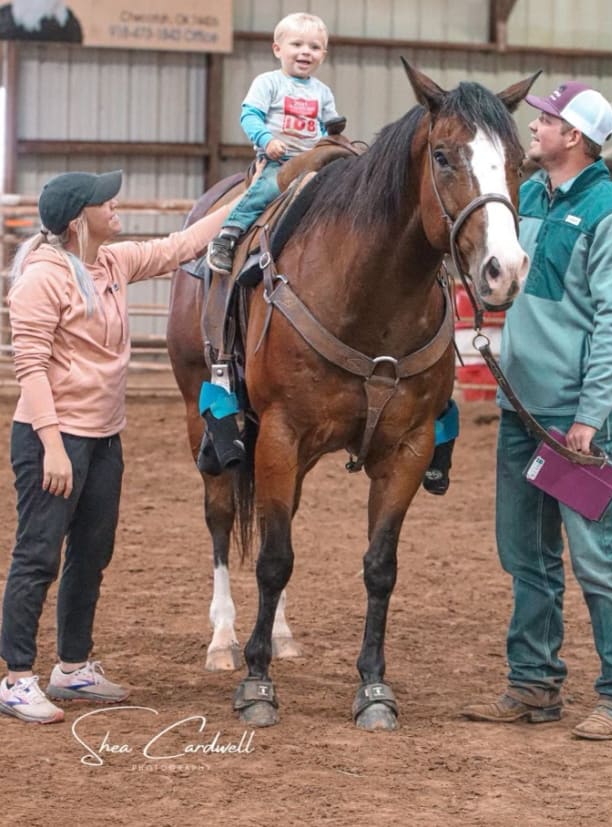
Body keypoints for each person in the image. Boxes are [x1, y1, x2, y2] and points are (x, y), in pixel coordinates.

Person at [0, 169, 239, 724]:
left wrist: (254, 193)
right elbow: (30, 367)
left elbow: (182, 245)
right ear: (80, 219)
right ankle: (15, 676)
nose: (116, 207)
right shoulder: (40, 279)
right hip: (51, 438)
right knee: (37, 556)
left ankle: (73, 667)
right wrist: (53, 445)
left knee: (91, 552)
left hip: (104, 436)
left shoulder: (111, 261)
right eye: (106, 203)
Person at [462, 81, 612, 739]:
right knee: (524, 552)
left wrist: (591, 415)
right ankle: (533, 684)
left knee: (597, 560)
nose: (535, 126)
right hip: (521, 411)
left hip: (574, 424)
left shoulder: (609, 211)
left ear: (574, 137)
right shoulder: (525, 197)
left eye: (546, 119)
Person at [206, 11, 340, 275]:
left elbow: (326, 127)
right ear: (278, 49)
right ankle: (227, 236)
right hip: (280, 160)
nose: (306, 52)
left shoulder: (323, 92)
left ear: (323, 54)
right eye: (297, 44)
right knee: (265, 190)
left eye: (314, 47)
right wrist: (267, 141)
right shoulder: (269, 83)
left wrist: (332, 139)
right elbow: (250, 115)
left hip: (314, 161)